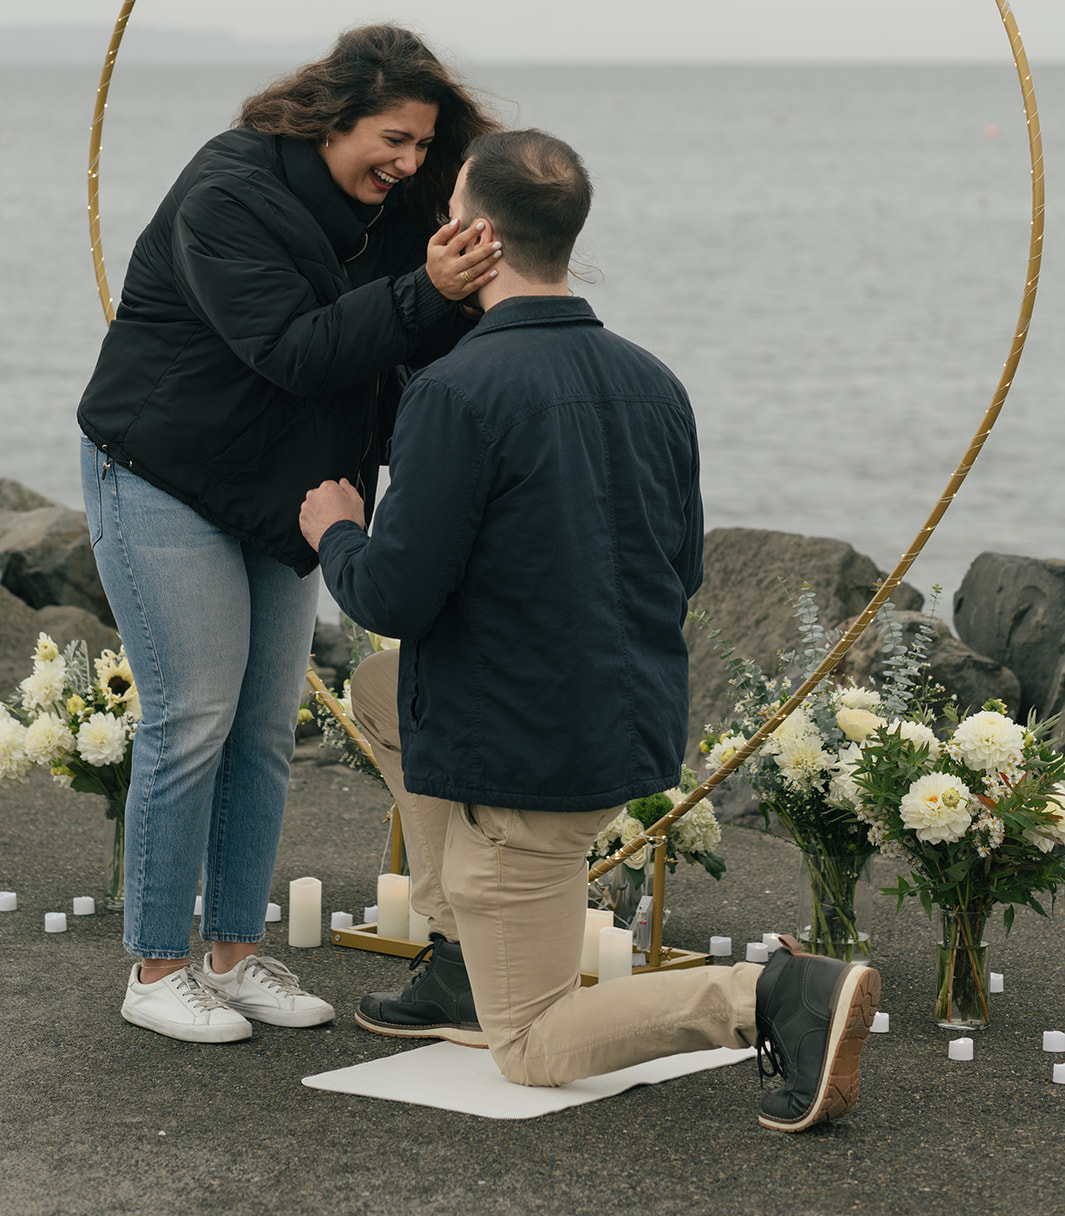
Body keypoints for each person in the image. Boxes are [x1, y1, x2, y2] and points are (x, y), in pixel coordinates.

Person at [299, 128, 880, 1131]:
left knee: (532, 1045)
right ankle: (453, 955)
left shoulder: (455, 392)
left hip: (522, 766)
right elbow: (682, 566)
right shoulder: (655, 381)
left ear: (471, 232)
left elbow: (391, 599)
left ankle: (770, 997)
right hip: (621, 724)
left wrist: (337, 529)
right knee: (382, 695)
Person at [78, 24, 500, 1042]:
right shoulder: (230, 190)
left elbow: (418, 342)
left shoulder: (396, 210)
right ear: (330, 116)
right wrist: (425, 291)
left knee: (266, 728)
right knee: (191, 720)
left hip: (293, 488)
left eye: (420, 148)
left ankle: (230, 952)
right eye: (391, 140)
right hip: (166, 471)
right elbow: (295, 349)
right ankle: (157, 965)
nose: (404, 164)